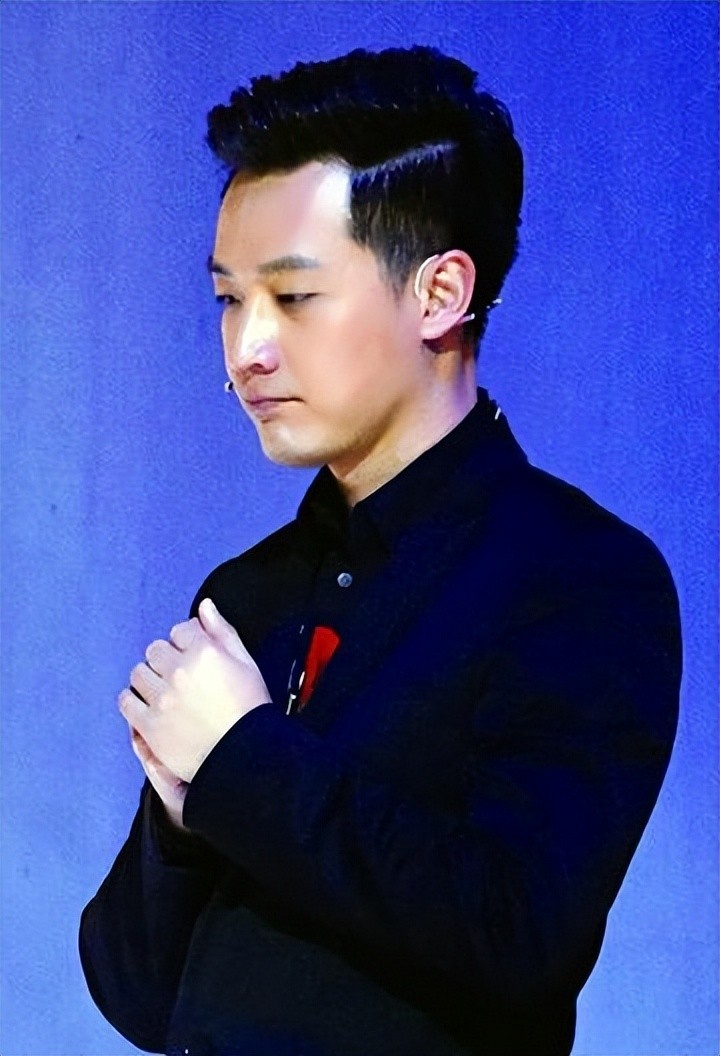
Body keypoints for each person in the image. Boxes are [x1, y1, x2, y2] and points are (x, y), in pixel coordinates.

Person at [79, 46, 681, 1056]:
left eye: (293, 297)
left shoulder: (579, 575)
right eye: (228, 299)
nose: (247, 348)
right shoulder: (250, 591)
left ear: (441, 292)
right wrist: (185, 819)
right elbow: (141, 995)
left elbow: (518, 931)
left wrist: (241, 765)